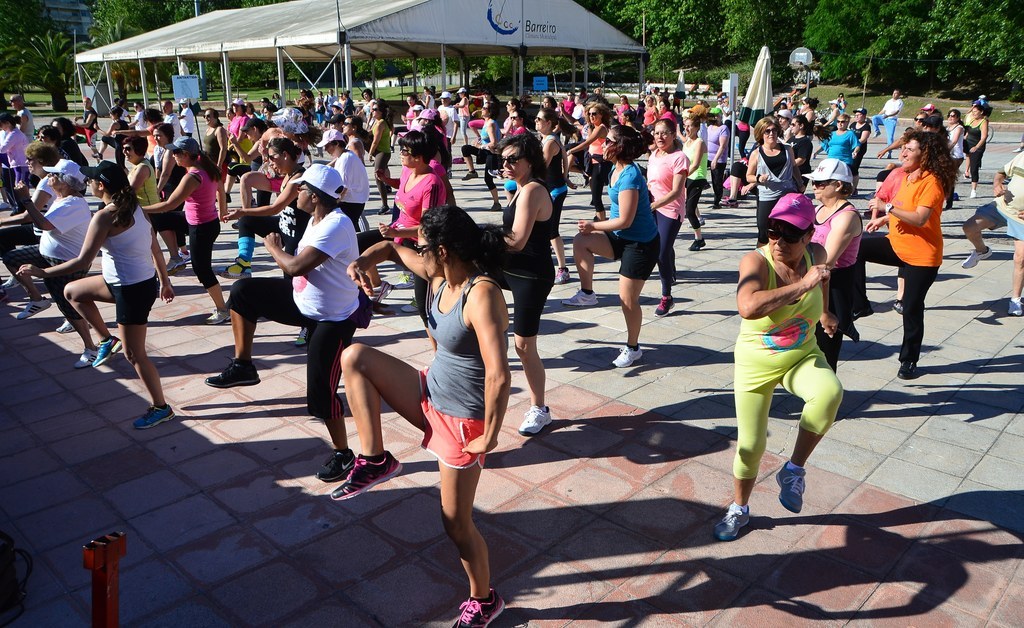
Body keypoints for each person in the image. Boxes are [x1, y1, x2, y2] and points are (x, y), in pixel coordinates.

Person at [340, 204, 510, 627]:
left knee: (455, 523)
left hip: (462, 421)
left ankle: (485, 599)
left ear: (445, 251)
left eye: (425, 247)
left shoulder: (482, 294)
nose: (420, 252)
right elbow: (395, 250)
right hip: (429, 394)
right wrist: (365, 258)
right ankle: (376, 458)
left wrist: (490, 436)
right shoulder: (437, 273)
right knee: (355, 357)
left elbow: (499, 376)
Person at [205, 164, 368, 476]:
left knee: (321, 393)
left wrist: (271, 248)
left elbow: (295, 267)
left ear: (316, 197)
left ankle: (344, 453)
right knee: (242, 292)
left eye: (301, 189)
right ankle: (243, 365)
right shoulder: (317, 217)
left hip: (332, 320)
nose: (296, 193)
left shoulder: (336, 225)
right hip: (303, 304)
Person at [713, 193, 843, 542]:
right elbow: (747, 306)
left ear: (808, 236)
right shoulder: (756, 262)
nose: (777, 239)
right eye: (772, 229)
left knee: (830, 392)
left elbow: (823, 277)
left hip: (802, 353)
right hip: (757, 362)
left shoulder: (817, 254)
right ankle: (739, 508)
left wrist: (825, 311)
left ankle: (793, 469)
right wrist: (803, 285)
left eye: (788, 233)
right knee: (750, 445)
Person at [18, 160, 176, 429]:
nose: (88, 183)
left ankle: (161, 407)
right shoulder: (135, 208)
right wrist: (164, 280)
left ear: (100, 186)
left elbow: (82, 261)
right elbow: (155, 248)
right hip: (131, 282)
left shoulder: (105, 216)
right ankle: (106, 339)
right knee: (73, 291)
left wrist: (43, 274)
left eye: (91, 180)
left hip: (132, 290)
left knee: (135, 355)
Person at [858, 131, 958, 379]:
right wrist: (884, 218)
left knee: (912, 308)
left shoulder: (932, 181)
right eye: (903, 148)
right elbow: (905, 208)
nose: (902, 153)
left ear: (925, 155)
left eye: (909, 150)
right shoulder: (907, 177)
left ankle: (909, 360)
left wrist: (887, 208)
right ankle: (860, 305)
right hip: (897, 243)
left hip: (922, 256)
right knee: (854, 248)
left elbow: (921, 218)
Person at [562, 125, 660, 368]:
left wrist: (595, 225)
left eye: (608, 141)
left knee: (627, 300)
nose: (603, 144)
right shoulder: (615, 169)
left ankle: (633, 347)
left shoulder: (630, 175)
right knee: (580, 241)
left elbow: (625, 220)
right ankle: (587, 294)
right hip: (620, 237)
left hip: (641, 244)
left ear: (619, 147)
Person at [493, 133, 555, 436]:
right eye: (502, 159)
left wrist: (481, 239)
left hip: (532, 274)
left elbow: (516, 242)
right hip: (510, 269)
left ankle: (539, 409)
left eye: (512, 159)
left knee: (524, 346)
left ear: (530, 161)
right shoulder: (517, 189)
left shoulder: (532, 190)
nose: (505, 164)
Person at [2, 154, 90, 348]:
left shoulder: (72, 204)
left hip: (64, 262)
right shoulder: (62, 198)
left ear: (65, 182)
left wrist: (26, 200)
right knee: (11, 258)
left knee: (67, 304)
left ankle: (91, 347)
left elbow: (43, 224)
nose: (48, 178)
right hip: (47, 255)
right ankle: (36, 298)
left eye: (53, 175)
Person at [142, 136, 229, 324]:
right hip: (203, 222)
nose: (173, 156)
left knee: (202, 270)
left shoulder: (193, 176)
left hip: (201, 227)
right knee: (160, 220)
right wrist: (222, 211)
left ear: (187, 155)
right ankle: (176, 257)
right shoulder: (207, 167)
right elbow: (221, 190)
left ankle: (223, 310)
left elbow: (169, 204)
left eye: (176, 153)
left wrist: (139, 209)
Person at [807, 159, 863, 371]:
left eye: (820, 183)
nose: (814, 186)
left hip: (834, 287)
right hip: (811, 280)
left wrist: (824, 311)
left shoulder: (846, 217)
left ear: (838, 185)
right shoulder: (820, 208)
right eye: (814, 182)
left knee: (825, 351)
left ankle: (827, 400)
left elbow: (826, 265)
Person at [960, 149, 1024, 314]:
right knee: (969, 227)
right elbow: (1000, 173)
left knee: (1021, 258)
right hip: (1003, 206)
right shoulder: (1021, 156)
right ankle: (982, 251)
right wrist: (997, 185)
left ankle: (1015, 300)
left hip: (1022, 218)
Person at [647, 118, 690, 317]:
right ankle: (670, 271)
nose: (660, 137)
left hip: (670, 210)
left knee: (660, 251)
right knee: (661, 246)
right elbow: (651, 184)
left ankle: (667, 297)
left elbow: (675, 191)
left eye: (664, 133)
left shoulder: (679, 158)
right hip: (652, 208)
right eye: (656, 133)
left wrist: (654, 205)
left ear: (674, 135)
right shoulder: (653, 155)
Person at [746, 117, 802, 245]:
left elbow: (794, 167)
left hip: (787, 194)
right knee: (763, 230)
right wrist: (758, 178)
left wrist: (800, 183)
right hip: (767, 195)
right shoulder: (756, 154)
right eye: (767, 131)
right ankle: (762, 259)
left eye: (774, 130)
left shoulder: (787, 149)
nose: (771, 134)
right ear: (761, 133)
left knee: (787, 229)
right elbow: (748, 176)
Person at [534, 108, 571, 285]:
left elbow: (541, 168)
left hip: (555, 191)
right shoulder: (549, 139)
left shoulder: (549, 142)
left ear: (549, 123)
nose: (536, 121)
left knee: (552, 231)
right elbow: (564, 157)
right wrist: (566, 177)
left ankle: (563, 269)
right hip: (553, 188)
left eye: (539, 119)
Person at [567, 103, 613, 221]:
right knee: (595, 194)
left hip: (600, 163)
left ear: (601, 115)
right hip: (593, 162)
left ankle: (601, 219)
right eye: (589, 114)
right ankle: (600, 217)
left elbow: (586, 143)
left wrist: (570, 150)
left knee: (596, 195)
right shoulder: (594, 127)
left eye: (594, 114)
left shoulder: (601, 128)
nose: (592, 116)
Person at [319, 129, 370, 227]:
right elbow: (329, 167)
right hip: (353, 200)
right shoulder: (343, 155)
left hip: (351, 202)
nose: (325, 149)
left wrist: (332, 205)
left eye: (327, 146)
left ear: (337, 143)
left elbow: (343, 188)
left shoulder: (345, 159)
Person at [460, 103, 502, 211]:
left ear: (490, 111)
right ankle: (472, 172)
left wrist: (481, 145)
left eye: (484, 108)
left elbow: (494, 142)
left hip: (491, 154)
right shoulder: (486, 122)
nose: (481, 110)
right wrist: (479, 141)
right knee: (465, 148)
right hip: (484, 151)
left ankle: (496, 203)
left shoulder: (490, 124)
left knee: (488, 180)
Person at [681, 116, 708, 249]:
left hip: (697, 177)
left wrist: (682, 176)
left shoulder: (700, 142)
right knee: (688, 207)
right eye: (685, 125)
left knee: (690, 210)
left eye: (690, 126)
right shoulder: (686, 143)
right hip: (688, 177)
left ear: (697, 128)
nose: (686, 128)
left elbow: (696, 164)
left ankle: (699, 239)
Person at [367, 100, 394, 214]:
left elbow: (375, 141)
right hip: (380, 152)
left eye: (375, 109)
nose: (372, 111)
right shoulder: (376, 121)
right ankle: (387, 185)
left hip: (382, 152)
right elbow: (369, 134)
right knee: (380, 175)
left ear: (381, 112)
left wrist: (370, 153)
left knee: (378, 177)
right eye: (372, 109)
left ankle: (385, 205)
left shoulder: (380, 123)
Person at [963, 99, 991, 199]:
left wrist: (977, 147)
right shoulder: (972, 120)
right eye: (973, 112)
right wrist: (965, 137)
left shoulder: (983, 122)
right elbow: (967, 131)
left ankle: (973, 189)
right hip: (968, 143)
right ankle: (966, 172)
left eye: (975, 112)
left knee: (974, 168)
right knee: (965, 159)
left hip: (977, 146)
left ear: (981, 112)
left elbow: (984, 137)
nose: (973, 113)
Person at [706, 108, 730, 208]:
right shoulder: (709, 127)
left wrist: (716, 159)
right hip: (707, 156)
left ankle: (717, 201)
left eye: (716, 116)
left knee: (716, 180)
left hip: (719, 158)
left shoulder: (723, 128)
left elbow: (723, 146)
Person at [871, 89, 904, 153]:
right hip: (884, 117)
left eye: (896, 93)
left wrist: (888, 115)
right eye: (893, 93)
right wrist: (878, 116)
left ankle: (889, 152)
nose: (894, 94)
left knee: (890, 137)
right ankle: (877, 131)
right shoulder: (889, 101)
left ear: (899, 95)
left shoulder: (900, 102)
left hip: (891, 120)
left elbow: (896, 112)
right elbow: (883, 110)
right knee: (874, 117)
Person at [849, 108, 872, 193]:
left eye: (859, 115)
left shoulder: (866, 126)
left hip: (859, 149)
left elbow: (862, 139)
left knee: (854, 168)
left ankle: (854, 188)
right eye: (856, 115)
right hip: (850, 148)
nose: (857, 116)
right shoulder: (853, 124)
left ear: (864, 116)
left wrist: (855, 146)